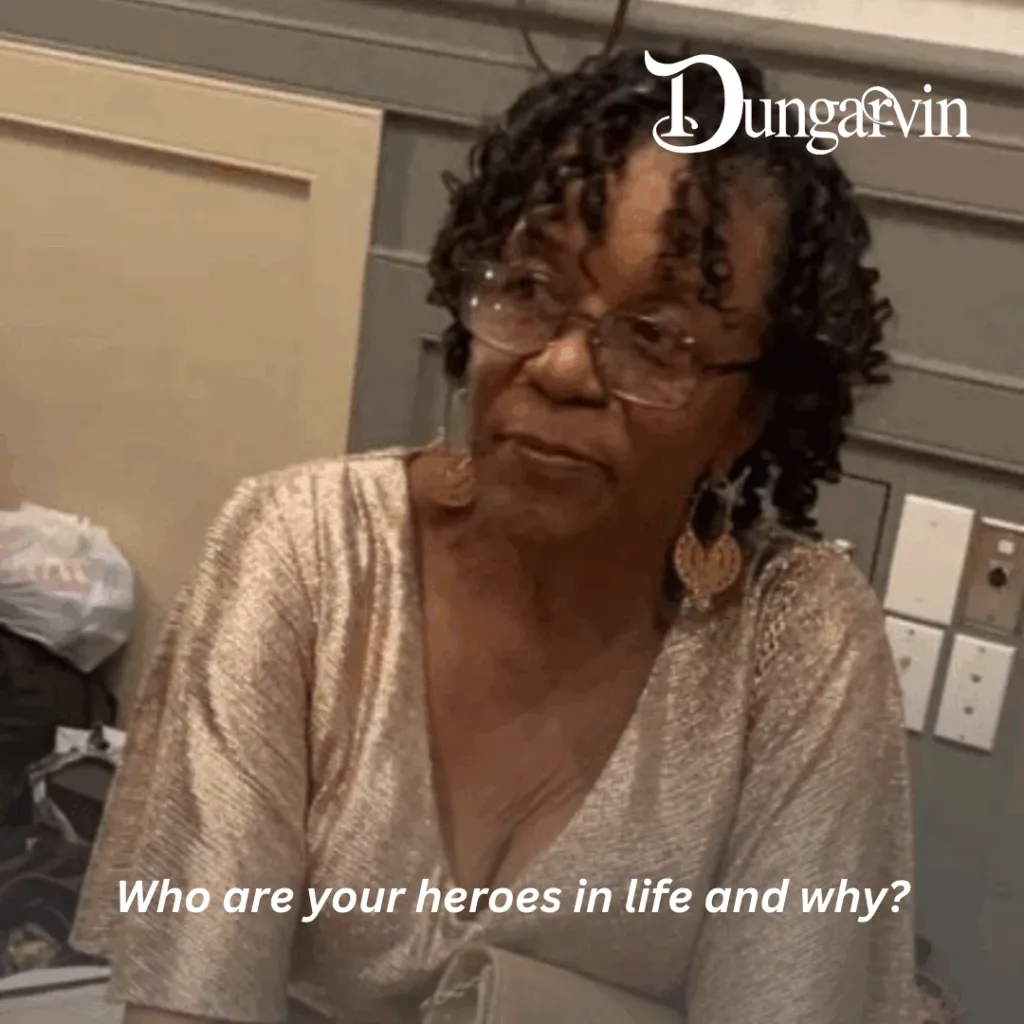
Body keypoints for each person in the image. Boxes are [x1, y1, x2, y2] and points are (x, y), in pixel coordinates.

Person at [72, 46, 917, 1024]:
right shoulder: (301, 553)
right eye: (528, 290)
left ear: (748, 414)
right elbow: (188, 997)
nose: (560, 367)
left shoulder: (795, 639)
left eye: (655, 337)